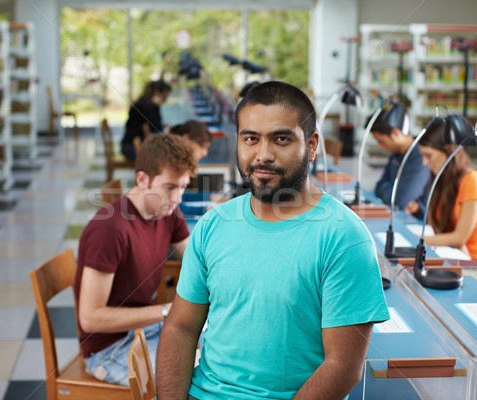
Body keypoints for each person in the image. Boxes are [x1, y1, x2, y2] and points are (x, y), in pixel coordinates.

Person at [156, 81, 390, 399]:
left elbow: (343, 368)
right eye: (251, 139)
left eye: (280, 139)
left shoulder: (345, 238)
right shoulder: (214, 224)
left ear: (311, 145)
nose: (262, 155)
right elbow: (180, 328)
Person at [75, 133, 196, 386]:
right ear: (142, 179)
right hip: (108, 349)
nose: (177, 198)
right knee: (182, 381)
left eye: (183, 187)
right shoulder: (110, 229)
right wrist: (166, 311)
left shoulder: (166, 212)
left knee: (223, 353)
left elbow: (196, 260)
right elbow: (90, 318)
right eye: (170, 187)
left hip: (145, 330)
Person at [405, 121, 477, 274]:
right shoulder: (441, 180)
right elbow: (436, 228)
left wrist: (415, 239)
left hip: (473, 264)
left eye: (428, 155)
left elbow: (459, 237)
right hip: (450, 254)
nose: (424, 163)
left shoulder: (473, 180)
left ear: (449, 152)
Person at [369, 101, 430, 211]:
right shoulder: (396, 154)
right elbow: (378, 187)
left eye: (381, 141)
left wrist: (388, 189)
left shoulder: (420, 156)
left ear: (396, 133)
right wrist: (390, 190)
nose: (380, 147)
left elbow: (400, 200)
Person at [120, 80, 172, 159]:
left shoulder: (151, 105)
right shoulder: (144, 106)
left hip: (134, 145)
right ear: (156, 92)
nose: (165, 100)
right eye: (164, 97)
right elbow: (152, 128)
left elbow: (155, 126)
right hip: (131, 147)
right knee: (165, 156)